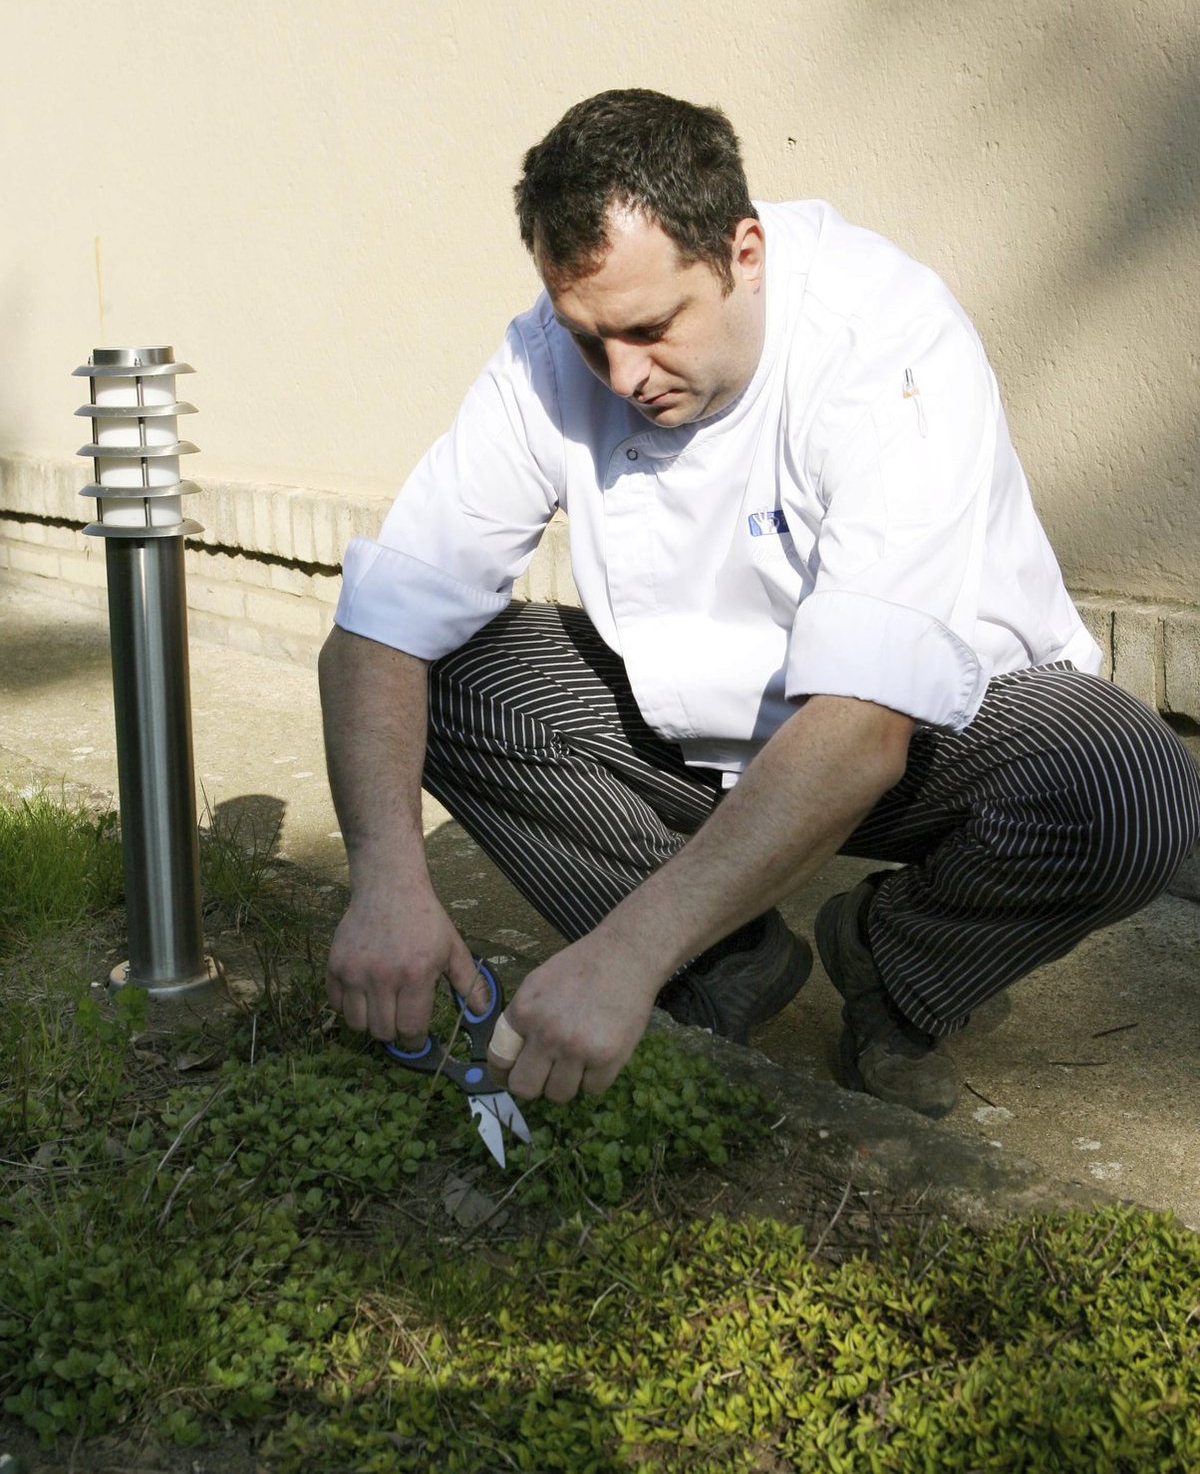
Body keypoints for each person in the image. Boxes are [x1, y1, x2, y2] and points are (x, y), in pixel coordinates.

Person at [319, 89, 1200, 1120]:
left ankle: (896, 968)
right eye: (590, 338)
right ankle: (722, 969)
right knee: (448, 672)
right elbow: (375, 629)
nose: (622, 375)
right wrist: (383, 875)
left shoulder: (883, 342)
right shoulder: (554, 353)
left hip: (931, 746)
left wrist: (618, 952)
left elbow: (864, 728)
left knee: (1127, 784)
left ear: (745, 251)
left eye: (651, 329)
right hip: (689, 729)